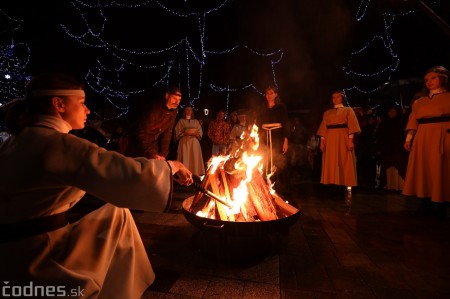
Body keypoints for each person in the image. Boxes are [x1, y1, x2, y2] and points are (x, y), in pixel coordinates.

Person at [0, 73, 193, 298]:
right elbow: (120, 172)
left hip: (10, 250)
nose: (88, 110)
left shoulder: (12, 143)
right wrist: (171, 166)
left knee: (116, 214)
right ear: (58, 104)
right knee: (117, 215)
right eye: (82, 103)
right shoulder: (59, 145)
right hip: (39, 258)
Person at [403, 66, 450, 218]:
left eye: (433, 78)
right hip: (423, 137)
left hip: (443, 135)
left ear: (443, 79)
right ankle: (425, 202)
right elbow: (413, 120)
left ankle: (442, 204)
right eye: (426, 80)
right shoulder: (420, 102)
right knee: (424, 168)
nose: (429, 82)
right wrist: (409, 138)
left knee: (441, 168)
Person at [316, 90, 361, 196]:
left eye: (338, 97)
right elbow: (323, 128)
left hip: (343, 138)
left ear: (342, 98)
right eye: (333, 97)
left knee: (343, 160)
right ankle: (332, 186)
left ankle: (342, 185)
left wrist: (350, 140)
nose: (335, 99)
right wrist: (322, 142)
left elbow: (352, 125)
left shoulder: (348, 110)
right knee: (331, 161)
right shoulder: (327, 113)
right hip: (330, 139)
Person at [125, 86, 182, 160]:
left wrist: (163, 154)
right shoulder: (155, 107)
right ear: (167, 96)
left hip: (153, 144)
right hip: (138, 144)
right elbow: (142, 132)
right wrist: (152, 153)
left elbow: (167, 133)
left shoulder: (174, 111)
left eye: (179, 100)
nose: (177, 102)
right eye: (174, 98)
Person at [255, 86, 290, 190]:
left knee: (276, 159)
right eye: (267, 93)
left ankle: (276, 186)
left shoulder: (281, 107)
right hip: (264, 137)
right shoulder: (262, 108)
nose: (269, 95)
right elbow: (258, 124)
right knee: (265, 159)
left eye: (271, 93)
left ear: (276, 94)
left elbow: (285, 123)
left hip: (277, 136)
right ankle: (265, 184)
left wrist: (286, 141)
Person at [376, 105, 409, 191]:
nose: (391, 113)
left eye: (394, 112)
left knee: (400, 168)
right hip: (387, 150)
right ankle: (388, 185)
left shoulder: (401, 122)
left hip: (398, 150)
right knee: (387, 167)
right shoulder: (384, 124)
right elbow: (380, 136)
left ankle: (401, 186)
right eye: (390, 112)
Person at [174, 105, 205, 176]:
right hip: (184, 142)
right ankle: (184, 174)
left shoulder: (195, 121)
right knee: (185, 156)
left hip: (194, 142)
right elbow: (177, 131)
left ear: (192, 112)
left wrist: (195, 133)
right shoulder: (181, 121)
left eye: (190, 110)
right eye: (187, 110)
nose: (189, 111)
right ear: (185, 111)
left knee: (194, 157)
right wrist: (184, 132)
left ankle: (195, 173)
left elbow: (200, 132)